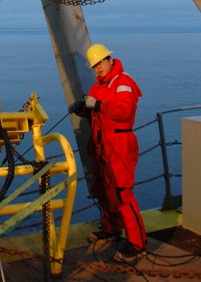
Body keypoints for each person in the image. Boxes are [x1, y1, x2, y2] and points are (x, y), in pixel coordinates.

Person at [69, 43, 147, 264]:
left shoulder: (123, 83)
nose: (98, 68)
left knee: (123, 193)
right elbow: (95, 111)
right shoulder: (98, 87)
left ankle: (138, 243)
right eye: (94, 65)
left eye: (101, 62)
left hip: (120, 145)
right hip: (103, 147)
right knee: (105, 190)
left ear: (110, 60)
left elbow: (123, 111)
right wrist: (82, 108)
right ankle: (112, 229)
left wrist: (98, 105)